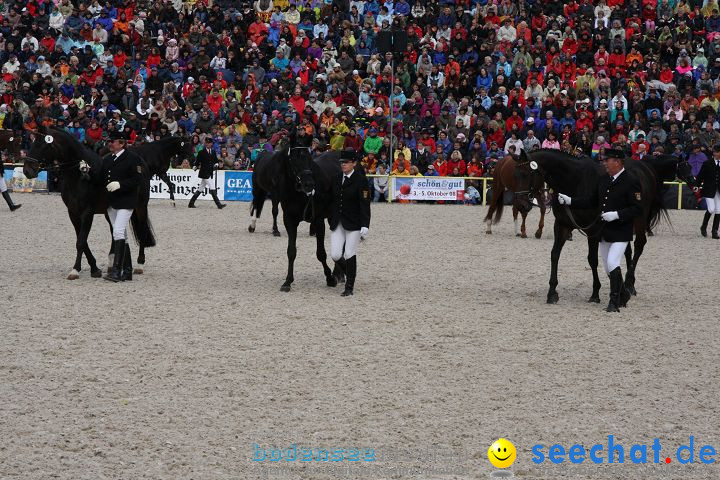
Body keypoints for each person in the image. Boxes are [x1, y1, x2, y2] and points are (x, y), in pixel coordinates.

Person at [557, 148, 643, 312]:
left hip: (621, 230)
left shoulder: (631, 180)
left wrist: (617, 214)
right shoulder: (603, 180)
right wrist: (570, 201)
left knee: (612, 262)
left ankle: (614, 302)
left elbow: (638, 208)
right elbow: (591, 201)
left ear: (617, 162)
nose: (604, 163)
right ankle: (623, 293)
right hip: (603, 230)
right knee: (607, 267)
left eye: (607, 160)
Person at [102, 130, 143, 282]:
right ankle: (127, 271)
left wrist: (121, 184)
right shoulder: (108, 159)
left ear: (122, 143)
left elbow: (138, 179)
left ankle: (116, 271)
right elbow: (101, 173)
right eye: (109, 142)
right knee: (122, 235)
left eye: (112, 142)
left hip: (126, 201)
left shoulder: (132, 158)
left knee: (118, 232)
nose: (110, 144)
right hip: (112, 202)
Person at [329, 151, 371, 296]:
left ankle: (349, 286)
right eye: (341, 162)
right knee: (335, 254)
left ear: (354, 163)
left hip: (354, 223)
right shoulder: (335, 178)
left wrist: (365, 224)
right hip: (337, 222)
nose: (343, 165)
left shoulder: (361, 180)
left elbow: (364, 203)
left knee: (349, 253)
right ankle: (349, 273)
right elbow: (329, 197)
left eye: (346, 162)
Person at [189, 137, 226, 209]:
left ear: (211, 144)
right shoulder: (201, 152)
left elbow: (215, 160)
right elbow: (197, 161)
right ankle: (219, 205)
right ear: (205, 143)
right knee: (212, 187)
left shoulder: (213, 152)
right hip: (204, 173)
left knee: (200, 189)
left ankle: (191, 203)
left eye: (209, 143)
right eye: (206, 143)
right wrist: (195, 166)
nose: (208, 144)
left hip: (210, 172)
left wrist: (216, 164)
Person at [697, 144, 720, 239]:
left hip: (718, 190)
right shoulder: (707, 163)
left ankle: (714, 231)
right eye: (714, 152)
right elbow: (700, 176)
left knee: (718, 210)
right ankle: (703, 227)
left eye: (717, 152)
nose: (715, 153)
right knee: (711, 209)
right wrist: (696, 185)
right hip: (708, 189)